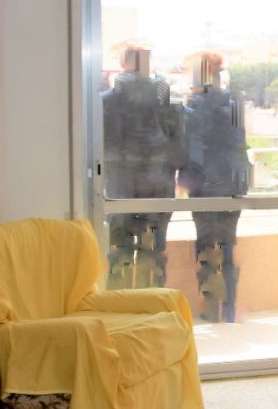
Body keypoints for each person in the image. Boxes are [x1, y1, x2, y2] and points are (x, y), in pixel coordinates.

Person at [102, 46, 184, 289]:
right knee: (153, 254)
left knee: (120, 254)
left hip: (119, 190)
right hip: (158, 188)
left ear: (123, 64)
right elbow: (180, 153)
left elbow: (99, 149)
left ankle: (121, 305)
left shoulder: (105, 103)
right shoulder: (170, 103)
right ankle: (153, 305)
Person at [180, 52, 252, 322]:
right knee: (228, 244)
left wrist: (185, 176)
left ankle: (210, 307)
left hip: (205, 183)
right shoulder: (234, 102)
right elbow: (238, 140)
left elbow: (193, 144)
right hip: (233, 180)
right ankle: (229, 307)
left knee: (206, 244)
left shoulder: (194, 104)